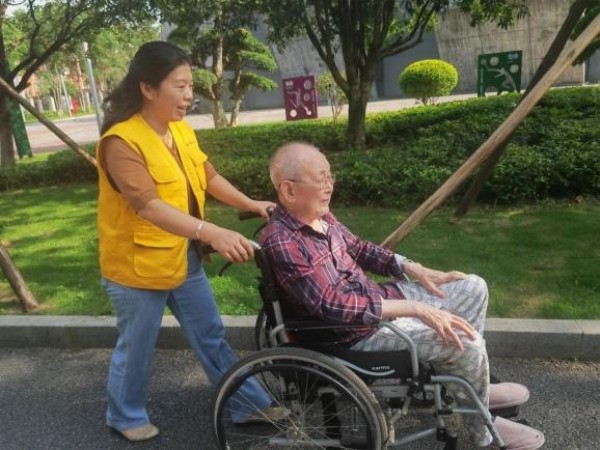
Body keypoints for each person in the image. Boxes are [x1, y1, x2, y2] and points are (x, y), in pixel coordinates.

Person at [260, 141, 545, 450]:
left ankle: (468, 386)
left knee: (473, 288)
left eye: (330, 176)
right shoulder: (282, 241)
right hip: (356, 335)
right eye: (321, 178)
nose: (329, 185)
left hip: (377, 301)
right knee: (467, 341)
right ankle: (482, 430)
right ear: (289, 191)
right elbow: (331, 305)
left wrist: (414, 267)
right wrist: (415, 309)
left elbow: (359, 248)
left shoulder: (321, 217)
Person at [96, 41, 285, 442]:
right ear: (148, 88)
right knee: (138, 346)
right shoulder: (121, 141)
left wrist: (250, 203)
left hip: (182, 256)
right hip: (136, 266)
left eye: (190, 86)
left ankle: (245, 404)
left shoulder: (179, 131)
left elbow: (208, 175)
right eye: (180, 86)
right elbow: (147, 205)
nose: (188, 95)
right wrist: (211, 232)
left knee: (210, 333)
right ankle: (124, 414)